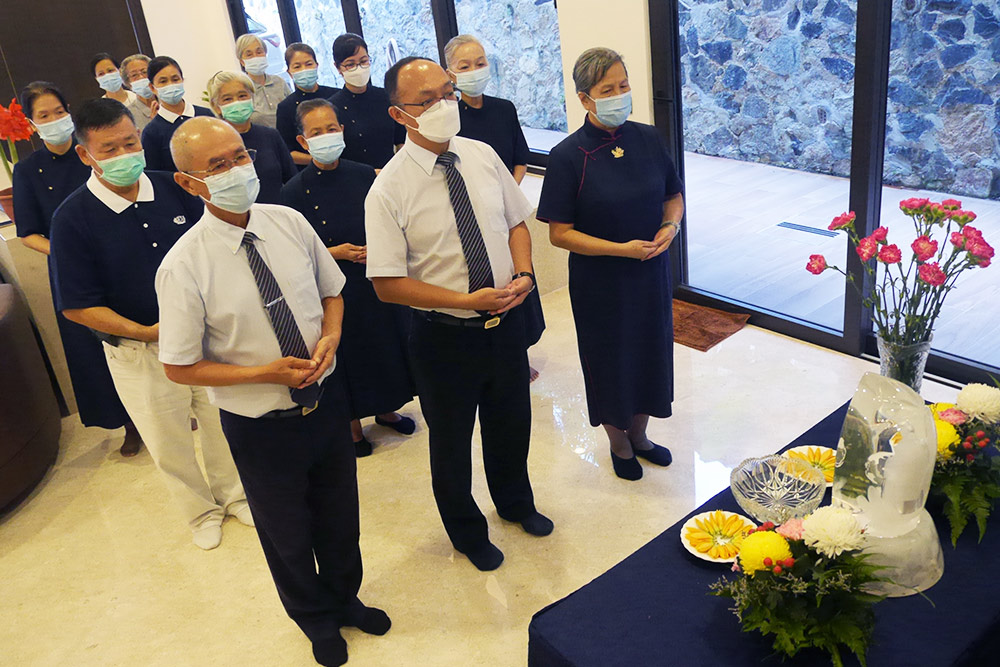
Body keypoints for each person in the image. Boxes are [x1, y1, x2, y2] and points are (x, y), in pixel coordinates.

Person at [158, 116, 390, 666]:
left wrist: (331, 336)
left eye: (239, 156)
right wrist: (264, 373)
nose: (236, 170)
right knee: (286, 531)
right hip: (260, 425)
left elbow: (332, 293)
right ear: (189, 182)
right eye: (217, 165)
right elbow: (179, 366)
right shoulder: (184, 265)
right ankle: (313, 617)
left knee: (340, 515)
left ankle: (345, 598)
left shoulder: (289, 222)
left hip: (325, 403)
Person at [365, 57, 552, 572]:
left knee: (511, 422)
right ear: (400, 114)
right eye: (428, 100)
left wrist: (524, 273)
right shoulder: (388, 189)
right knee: (450, 442)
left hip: (504, 323)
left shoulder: (481, 154)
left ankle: (515, 503)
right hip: (443, 336)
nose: (445, 105)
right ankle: (467, 532)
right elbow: (386, 283)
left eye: (447, 93)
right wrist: (466, 302)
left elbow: (516, 222)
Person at [49, 99, 250, 549]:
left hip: (206, 340)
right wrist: (149, 333)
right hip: (139, 352)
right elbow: (77, 306)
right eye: (109, 149)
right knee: (168, 439)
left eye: (130, 143)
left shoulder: (173, 187)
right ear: (85, 154)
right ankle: (199, 512)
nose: (124, 155)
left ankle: (235, 495)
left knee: (221, 422)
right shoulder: (72, 218)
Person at [536, 48, 684, 481]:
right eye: (607, 90)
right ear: (585, 99)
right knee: (610, 358)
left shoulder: (648, 138)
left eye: (623, 85)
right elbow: (559, 233)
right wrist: (621, 250)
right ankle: (619, 444)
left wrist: (670, 227)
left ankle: (641, 436)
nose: (619, 95)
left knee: (650, 351)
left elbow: (673, 195)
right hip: (601, 280)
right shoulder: (568, 155)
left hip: (650, 272)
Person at [12, 82, 141, 456]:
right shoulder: (28, 170)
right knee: (97, 350)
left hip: (120, 259)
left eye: (59, 111)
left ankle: (166, 405)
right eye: (44, 115)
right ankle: (128, 424)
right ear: (32, 124)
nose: (54, 119)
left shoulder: (97, 153)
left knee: (140, 334)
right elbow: (27, 234)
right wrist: (67, 251)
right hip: (75, 272)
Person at [281, 99, 415, 457]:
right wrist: (336, 252)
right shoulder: (293, 191)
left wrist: (381, 245)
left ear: (342, 130)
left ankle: (387, 410)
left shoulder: (364, 174)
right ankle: (353, 427)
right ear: (303, 140)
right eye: (316, 132)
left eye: (331, 128)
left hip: (374, 278)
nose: (326, 136)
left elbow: (390, 218)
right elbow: (292, 251)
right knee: (349, 355)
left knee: (384, 345)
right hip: (333, 288)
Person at [445, 34, 546, 381]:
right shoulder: (449, 117)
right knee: (485, 281)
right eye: (465, 66)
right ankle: (489, 357)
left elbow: (520, 157)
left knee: (518, 276)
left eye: (480, 62)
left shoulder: (504, 109)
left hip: (505, 206)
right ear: (451, 74)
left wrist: (506, 193)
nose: (475, 70)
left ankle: (519, 353)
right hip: (467, 212)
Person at [207, 71, 295, 204]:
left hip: (278, 211)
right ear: (216, 106)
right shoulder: (212, 144)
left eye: (242, 96)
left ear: (252, 98)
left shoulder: (270, 136)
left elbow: (291, 180)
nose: (237, 102)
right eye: (227, 99)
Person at [327, 33, 405, 170]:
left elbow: (401, 139)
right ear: (338, 67)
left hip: (392, 172)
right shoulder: (332, 108)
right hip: (356, 178)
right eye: (350, 64)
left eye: (363, 61)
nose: (359, 68)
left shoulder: (385, 96)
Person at [141, 56, 213, 171]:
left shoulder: (207, 115)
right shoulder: (151, 132)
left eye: (175, 79)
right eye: (163, 81)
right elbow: (155, 173)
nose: (171, 85)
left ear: (182, 80)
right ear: (152, 87)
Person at [275, 43, 339, 166]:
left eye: (309, 64)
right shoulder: (286, 107)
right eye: (297, 66)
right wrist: (320, 159)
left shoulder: (335, 96)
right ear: (289, 72)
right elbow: (287, 151)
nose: (304, 70)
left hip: (344, 163)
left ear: (317, 65)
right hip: (309, 169)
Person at [235, 33, 291, 129]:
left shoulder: (279, 82)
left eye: (259, 52)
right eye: (249, 54)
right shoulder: (241, 89)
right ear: (242, 62)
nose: (255, 57)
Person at [91, 52, 151, 132]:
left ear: (119, 71)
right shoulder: (100, 109)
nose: (107, 76)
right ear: (96, 79)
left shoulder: (136, 98)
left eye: (110, 70)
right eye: (101, 74)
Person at [120, 53, 157, 132]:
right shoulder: (128, 115)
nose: (141, 77)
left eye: (144, 72)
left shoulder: (168, 102)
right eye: (134, 75)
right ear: (128, 82)